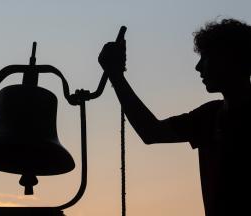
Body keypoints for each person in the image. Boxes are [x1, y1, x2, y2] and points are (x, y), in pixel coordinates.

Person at [98, 19, 251, 216]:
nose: (198, 67)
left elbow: (151, 132)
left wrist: (116, 75)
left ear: (229, 59)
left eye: (206, 57)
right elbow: (150, 132)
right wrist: (116, 76)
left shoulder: (211, 117)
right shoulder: (210, 116)